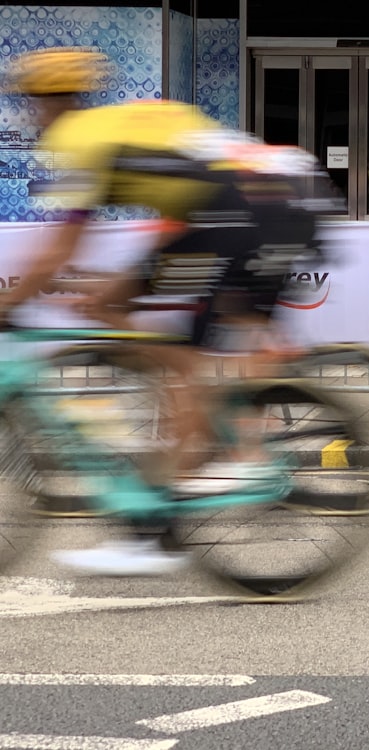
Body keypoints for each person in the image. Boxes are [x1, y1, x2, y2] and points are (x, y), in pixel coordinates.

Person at [4, 46, 338, 575]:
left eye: (28, 104)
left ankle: (190, 499)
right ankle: (188, 427)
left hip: (255, 209)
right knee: (117, 309)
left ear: (43, 105)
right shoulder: (107, 126)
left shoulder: (76, 139)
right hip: (242, 207)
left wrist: (10, 300)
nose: (30, 115)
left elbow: (62, 247)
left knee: (190, 361)